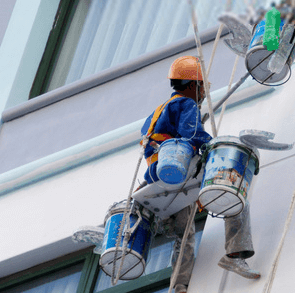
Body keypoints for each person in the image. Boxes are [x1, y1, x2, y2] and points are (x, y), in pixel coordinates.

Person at [74, 57, 260, 289]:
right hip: (181, 168)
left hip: (159, 177)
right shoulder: (186, 105)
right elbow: (191, 134)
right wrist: (211, 145)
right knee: (231, 192)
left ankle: (177, 286)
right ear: (193, 85)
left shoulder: (160, 110)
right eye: (201, 86)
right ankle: (235, 254)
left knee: (184, 235)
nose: (203, 93)